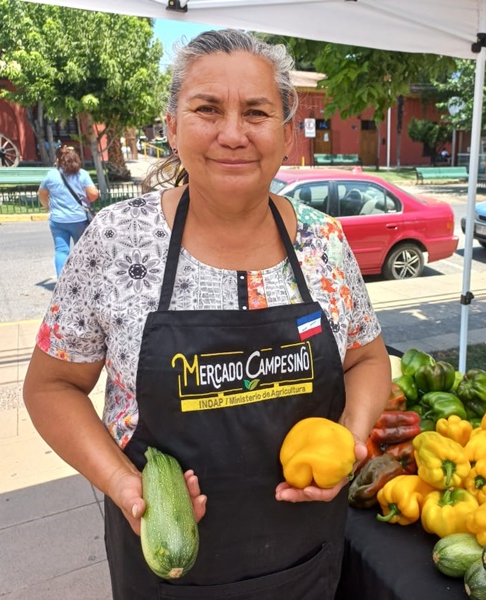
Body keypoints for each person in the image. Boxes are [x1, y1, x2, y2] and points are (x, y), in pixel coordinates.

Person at [23, 29, 391, 599]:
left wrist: (352, 439)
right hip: (165, 568)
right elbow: (51, 387)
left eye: (257, 112)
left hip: (304, 563)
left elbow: (367, 358)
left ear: (287, 134)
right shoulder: (117, 240)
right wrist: (123, 484)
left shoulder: (324, 243)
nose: (233, 134)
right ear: (172, 126)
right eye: (208, 109)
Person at [37, 146, 99, 278]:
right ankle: (83, 279)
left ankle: (61, 281)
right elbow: (93, 194)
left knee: (61, 251)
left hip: (58, 220)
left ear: (58, 160)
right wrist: (86, 199)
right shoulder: (82, 174)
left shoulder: (51, 175)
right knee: (81, 250)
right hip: (79, 219)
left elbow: (42, 194)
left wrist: (47, 206)